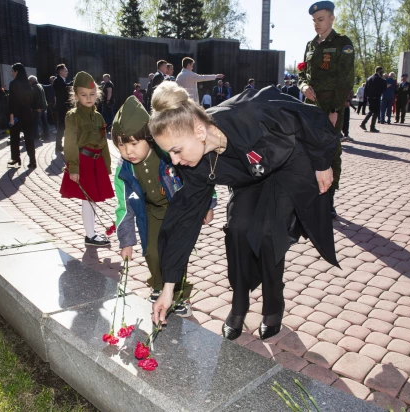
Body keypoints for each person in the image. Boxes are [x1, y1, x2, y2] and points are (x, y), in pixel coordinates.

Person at [149, 82, 338, 341]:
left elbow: (310, 116)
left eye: (176, 150)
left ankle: (273, 305)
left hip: (287, 165)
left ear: (199, 130)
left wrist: (322, 162)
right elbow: (184, 222)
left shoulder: (248, 111)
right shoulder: (193, 165)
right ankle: (239, 305)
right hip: (250, 177)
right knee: (237, 230)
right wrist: (168, 288)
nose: (174, 161)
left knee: (268, 233)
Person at [112, 96, 216, 314]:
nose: (128, 151)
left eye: (133, 143)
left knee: (175, 251)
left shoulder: (168, 155)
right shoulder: (124, 171)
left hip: (176, 209)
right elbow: (124, 208)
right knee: (151, 251)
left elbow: (199, 177)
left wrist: (209, 203)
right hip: (151, 211)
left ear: (149, 139)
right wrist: (127, 241)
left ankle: (180, 295)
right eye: (122, 145)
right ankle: (160, 287)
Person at [297, 0, 354, 220]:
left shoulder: (343, 43)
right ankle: (312, 194)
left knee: (330, 150)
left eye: (320, 19)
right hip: (310, 107)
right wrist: (303, 87)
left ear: (331, 18)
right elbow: (302, 74)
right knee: (308, 149)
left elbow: (345, 79)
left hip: (332, 106)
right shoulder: (311, 45)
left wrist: (335, 109)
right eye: (314, 20)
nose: (316, 24)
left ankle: (328, 199)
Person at [59, 71, 114, 246]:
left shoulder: (98, 116)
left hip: (97, 162)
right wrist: (73, 167)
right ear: (76, 95)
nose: (88, 98)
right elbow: (70, 143)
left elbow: (103, 142)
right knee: (88, 200)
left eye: (92, 95)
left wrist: (107, 165)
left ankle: (92, 233)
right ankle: (90, 235)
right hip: (83, 161)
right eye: (83, 95)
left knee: (93, 199)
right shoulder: (73, 116)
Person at [7, 63, 36, 168]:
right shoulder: (28, 85)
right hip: (28, 114)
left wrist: (11, 117)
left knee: (14, 136)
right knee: (29, 138)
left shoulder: (13, 84)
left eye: (12, 71)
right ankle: (32, 160)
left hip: (16, 114)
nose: (11, 73)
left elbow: (12, 102)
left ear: (16, 71)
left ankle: (16, 158)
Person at [360, 66, 387, 133]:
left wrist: (367, 97)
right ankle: (372, 127)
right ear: (379, 71)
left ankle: (363, 123)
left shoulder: (369, 78)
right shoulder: (378, 79)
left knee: (371, 111)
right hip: (375, 97)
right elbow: (383, 87)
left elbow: (366, 89)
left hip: (370, 97)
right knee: (376, 112)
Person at [53, 64, 73, 152]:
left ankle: (59, 145)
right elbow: (64, 89)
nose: (67, 72)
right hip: (62, 107)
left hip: (63, 106)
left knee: (63, 126)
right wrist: (72, 82)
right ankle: (58, 145)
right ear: (60, 71)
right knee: (61, 126)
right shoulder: (58, 80)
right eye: (65, 70)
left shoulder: (61, 80)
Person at [29, 75, 49, 141]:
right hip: (43, 106)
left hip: (38, 107)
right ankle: (46, 135)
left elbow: (36, 98)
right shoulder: (40, 86)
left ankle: (36, 135)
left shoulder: (34, 87)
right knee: (44, 122)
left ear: (32, 81)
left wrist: (37, 107)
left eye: (29, 81)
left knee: (36, 122)